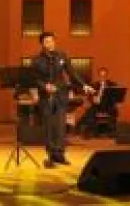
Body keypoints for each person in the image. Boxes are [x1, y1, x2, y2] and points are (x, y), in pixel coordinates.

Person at [31, 31, 94, 168]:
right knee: (49, 127)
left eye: (52, 40)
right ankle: (51, 155)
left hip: (60, 95)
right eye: (47, 41)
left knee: (60, 126)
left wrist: (84, 85)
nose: (50, 43)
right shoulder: (36, 60)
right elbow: (34, 79)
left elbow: (72, 72)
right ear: (42, 44)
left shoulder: (61, 56)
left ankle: (60, 154)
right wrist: (45, 86)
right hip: (46, 97)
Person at [79, 67, 119, 137]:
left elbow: (116, 96)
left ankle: (112, 131)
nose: (102, 78)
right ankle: (91, 130)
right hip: (97, 105)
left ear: (107, 76)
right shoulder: (94, 85)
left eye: (104, 76)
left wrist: (116, 102)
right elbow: (89, 97)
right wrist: (92, 99)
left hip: (108, 105)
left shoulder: (112, 84)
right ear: (99, 76)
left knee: (114, 110)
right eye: (101, 76)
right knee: (90, 111)